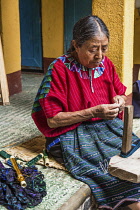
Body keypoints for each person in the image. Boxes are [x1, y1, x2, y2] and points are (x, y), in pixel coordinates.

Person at [32, 16, 140, 210]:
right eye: (93, 49)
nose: (99, 55)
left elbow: (120, 92)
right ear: (76, 45)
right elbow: (52, 120)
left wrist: (119, 100)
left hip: (106, 127)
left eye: (104, 48)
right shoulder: (58, 69)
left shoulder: (105, 64)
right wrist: (93, 112)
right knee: (105, 167)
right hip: (72, 133)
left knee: (132, 154)